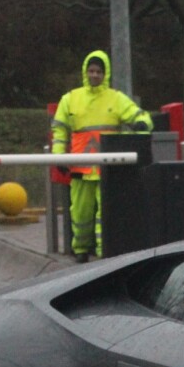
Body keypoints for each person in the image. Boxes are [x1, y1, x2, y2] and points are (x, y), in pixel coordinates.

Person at [51, 50, 153, 263]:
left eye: (98, 71)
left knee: (106, 213)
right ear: (85, 72)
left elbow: (140, 116)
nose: (95, 75)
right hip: (80, 166)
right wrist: (59, 156)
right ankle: (80, 250)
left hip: (108, 167)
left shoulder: (115, 99)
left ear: (105, 74)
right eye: (91, 71)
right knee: (80, 213)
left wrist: (143, 125)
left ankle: (103, 251)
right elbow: (59, 131)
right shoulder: (71, 99)